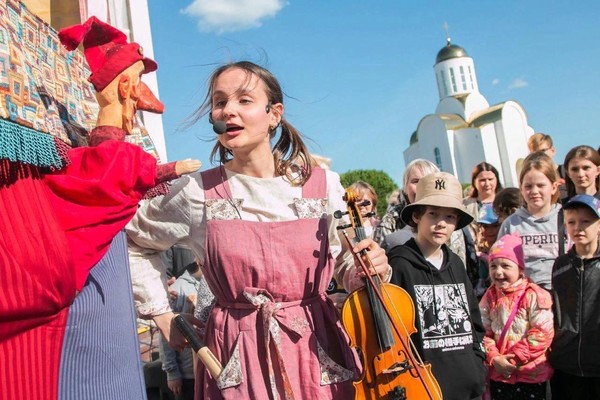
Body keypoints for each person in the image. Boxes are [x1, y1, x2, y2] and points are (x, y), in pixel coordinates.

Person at [126, 61, 390, 399]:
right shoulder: (195, 193)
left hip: (317, 353)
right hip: (238, 359)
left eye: (244, 100)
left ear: (274, 114)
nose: (228, 110)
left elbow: (345, 263)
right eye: (220, 102)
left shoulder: (323, 186)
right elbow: (133, 241)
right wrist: (162, 314)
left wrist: (367, 268)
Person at [387, 171, 487, 400]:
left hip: (467, 386)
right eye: (433, 214)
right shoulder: (399, 264)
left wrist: (476, 365)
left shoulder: (457, 264)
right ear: (417, 217)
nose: (441, 223)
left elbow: (474, 323)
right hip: (423, 388)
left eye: (450, 217)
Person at [479, 233, 553, 400]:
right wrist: (495, 357)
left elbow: (542, 333)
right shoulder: (489, 297)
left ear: (520, 269)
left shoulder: (534, 295)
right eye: (493, 266)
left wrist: (514, 359)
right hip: (500, 375)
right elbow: (483, 332)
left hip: (530, 375)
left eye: (506, 266)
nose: (498, 272)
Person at [549, 194, 600, 399]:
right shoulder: (560, 265)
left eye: (586, 221)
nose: (578, 227)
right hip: (566, 363)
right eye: (571, 222)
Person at [497, 152, 563, 290]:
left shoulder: (566, 219)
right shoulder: (510, 224)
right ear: (521, 188)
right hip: (525, 296)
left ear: (554, 187)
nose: (534, 191)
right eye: (528, 186)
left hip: (563, 292)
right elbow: (501, 262)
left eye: (541, 185)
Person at [159, 269, 201, 400]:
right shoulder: (178, 289)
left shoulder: (214, 284)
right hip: (187, 375)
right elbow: (165, 334)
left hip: (207, 370)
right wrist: (172, 373)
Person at [379, 158, 439, 238]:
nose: (421, 187)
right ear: (405, 187)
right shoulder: (391, 221)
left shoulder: (448, 216)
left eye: (427, 181)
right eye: (416, 181)